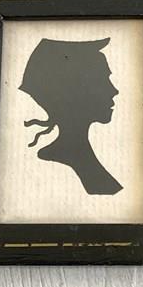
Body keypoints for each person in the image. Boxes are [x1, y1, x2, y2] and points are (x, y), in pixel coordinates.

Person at [19, 37, 121, 195]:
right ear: (73, 90)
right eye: (102, 80)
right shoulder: (56, 170)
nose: (114, 91)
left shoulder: (82, 155)